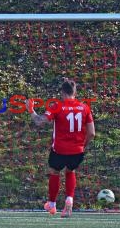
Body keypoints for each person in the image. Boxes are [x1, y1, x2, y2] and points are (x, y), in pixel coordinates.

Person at [27, 79, 95, 218]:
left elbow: (39, 122)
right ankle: (69, 200)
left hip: (59, 150)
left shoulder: (57, 106)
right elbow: (92, 133)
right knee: (71, 171)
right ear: (75, 92)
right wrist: (83, 145)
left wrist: (31, 110)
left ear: (62, 92)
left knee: (54, 172)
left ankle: (52, 205)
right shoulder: (85, 107)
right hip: (77, 151)